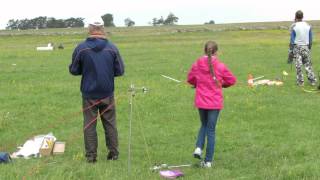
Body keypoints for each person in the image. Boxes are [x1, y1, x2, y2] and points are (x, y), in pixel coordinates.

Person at [69, 18, 125, 163]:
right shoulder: (112, 48)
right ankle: (114, 154)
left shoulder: (81, 48)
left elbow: (74, 70)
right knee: (110, 123)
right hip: (107, 92)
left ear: (90, 28)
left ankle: (91, 157)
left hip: (89, 93)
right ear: (102, 28)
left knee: (89, 124)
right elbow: (120, 71)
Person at [187, 41, 236, 168]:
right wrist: (222, 84)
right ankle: (208, 161)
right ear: (216, 52)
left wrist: (197, 83)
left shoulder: (197, 63)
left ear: (204, 51)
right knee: (211, 130)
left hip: (201, 101)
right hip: (214, 103)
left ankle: (198, 147)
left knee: (204, 125)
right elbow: (232, 80)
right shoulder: (220, 65)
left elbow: (190, 79)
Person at [290, 10, 317, 86]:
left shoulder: (294, 26)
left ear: (295, 17)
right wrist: (309, 48)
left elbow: (292, 40)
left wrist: (291, 50)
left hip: (297, 47)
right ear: (303, 17)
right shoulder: (308, 26)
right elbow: (310, 39)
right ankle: (312, 81)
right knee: (308, 65)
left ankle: (300, 82)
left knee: (298, 66)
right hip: (306, 47)